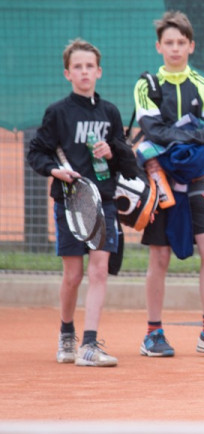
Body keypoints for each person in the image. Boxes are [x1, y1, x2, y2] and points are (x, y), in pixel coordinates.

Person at [133, 10, 204, 357]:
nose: (175, 48)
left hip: (195, 182)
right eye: (169, 43)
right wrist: (197, 136)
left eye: (181, 42)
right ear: (159, 47)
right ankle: (153, 335)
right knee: (160, 257)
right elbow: (153, 131)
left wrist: (185, 142)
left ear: (191, 46)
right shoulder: (146, 86)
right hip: (159, 184)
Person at [27, 38, 138, 367]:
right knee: (73, 276)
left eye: (90, 66)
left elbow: (128, 165)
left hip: (103, 202)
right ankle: (66, 334)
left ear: (99, 72)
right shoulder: (57, 113)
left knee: (100, 271)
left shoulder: (110, 113)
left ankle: (89, 346)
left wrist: (113, 151)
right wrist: (55, 170)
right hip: (70, 204)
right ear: (67, 73)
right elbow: (37, 152)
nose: (84, 71)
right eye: (78, 67)